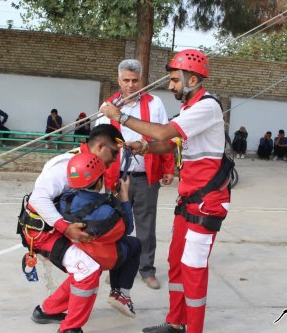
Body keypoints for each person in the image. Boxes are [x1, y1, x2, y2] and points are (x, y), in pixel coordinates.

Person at [100, 49, 232, 333]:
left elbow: (162, 132)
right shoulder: (189, 108)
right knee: (176, 263)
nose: (170, 85)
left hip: (206, 203)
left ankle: (192, 329)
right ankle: (176, 322)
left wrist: (119, 117)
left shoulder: (207, 107)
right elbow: (170, 143)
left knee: (194, 269)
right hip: (189, 201)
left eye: (174, 80)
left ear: (193, 79)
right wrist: (144, 147)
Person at [18, 124, 124, 333]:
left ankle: (47, 310)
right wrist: (65, 228)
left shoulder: (90, 165)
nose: (115, 159)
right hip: (42, 233)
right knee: (88, 269)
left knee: (89, 264)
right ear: (101, 147)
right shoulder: (66, 166)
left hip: (57, 228)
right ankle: (70, 328)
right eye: (114, 152)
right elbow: (39, 198)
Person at [96, 59, 175, 290]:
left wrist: (168, 168)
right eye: (126, 80)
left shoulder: (154, 103)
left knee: (146, 225)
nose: (130, 85)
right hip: (116, 176)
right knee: (116, 225)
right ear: (119, 79)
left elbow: (165, 137)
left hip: (145, 176)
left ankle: (147, 269)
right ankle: (116, 266)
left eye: (135, 80)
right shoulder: (107, 106)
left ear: (142, 80)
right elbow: (99, 141)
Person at [59, 152, 141, 318]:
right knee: (134, 244)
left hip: (77, 249)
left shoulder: (67, 200)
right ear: (99, 180)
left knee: (124, 244)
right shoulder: (106, 211)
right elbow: (127, 228)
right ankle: (122, 294)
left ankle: (116, 290)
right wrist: (124, 198)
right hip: (100, 254)